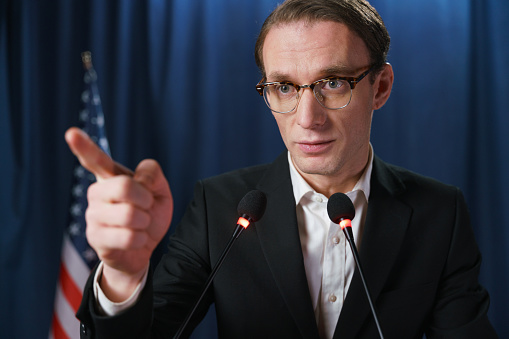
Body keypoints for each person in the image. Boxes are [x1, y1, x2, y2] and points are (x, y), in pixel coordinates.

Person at [67, 0, 497, 338]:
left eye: (333, 83)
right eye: (285, 87)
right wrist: (123, 275)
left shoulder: (439, 212)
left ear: (379, 87)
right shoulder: (219, 207)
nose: (307, 117)